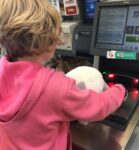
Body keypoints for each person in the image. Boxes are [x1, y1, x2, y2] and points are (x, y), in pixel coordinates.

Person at [0, 0, 126, 150]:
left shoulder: (2, 68)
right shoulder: (55, 87)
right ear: (41, 43)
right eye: (54, 36)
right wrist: (120, 90)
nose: (59, 41)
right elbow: (97, 107)